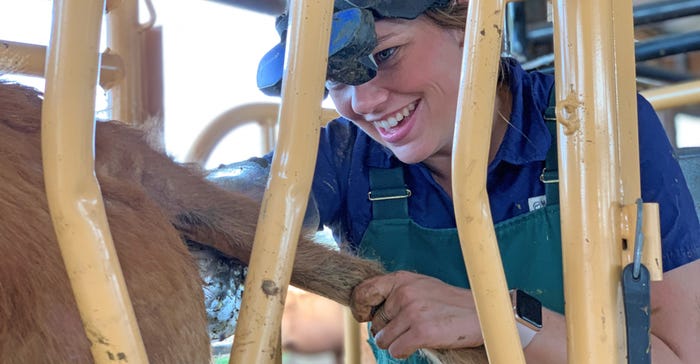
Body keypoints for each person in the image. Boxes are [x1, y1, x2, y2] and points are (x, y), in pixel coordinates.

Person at [255, 0, 700, 362]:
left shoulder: (597, 125)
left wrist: (500, 317)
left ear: (466, 19)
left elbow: (678, 357)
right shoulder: (345, 158)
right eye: (334, 78)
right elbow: (228, 207)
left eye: (386, 54)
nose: (363, 101)